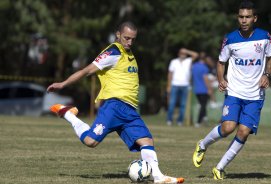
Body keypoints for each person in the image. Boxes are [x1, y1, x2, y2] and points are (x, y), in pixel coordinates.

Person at [47, 21, 184, 184]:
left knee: (146, 141)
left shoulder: (130, 54)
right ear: (118, 34)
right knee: (90, 142)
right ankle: (69, 114)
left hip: (130, 109)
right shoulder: (113, 52)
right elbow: (86, 71)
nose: (130, 42)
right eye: (126, 38)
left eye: (133, 39)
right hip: (115, 106)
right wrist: (62, 84)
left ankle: (158, 177)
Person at [192, 1, 271, 180]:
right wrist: (221, 79)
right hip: (235, 91)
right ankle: (202, 144)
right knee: (228, 127)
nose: (244, 20)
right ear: (238, 18)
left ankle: (220, 168)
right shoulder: (230, 39)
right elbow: (221, 62)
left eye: (247, 17)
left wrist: (267, 75)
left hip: (255, 94)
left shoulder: (264, 37)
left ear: (255, 18)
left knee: (244, 131)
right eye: (241, 17)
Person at [166, 48, 198, 126]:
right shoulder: (174, 61)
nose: (183, 54)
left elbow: (196, 55)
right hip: (174, 84)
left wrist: (186, 50)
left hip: (185, 85)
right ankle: (169, 120)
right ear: (178, 54)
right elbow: (170, 74)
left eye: (184, 53)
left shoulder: (188, 61)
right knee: (172, 103)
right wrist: (168, 85)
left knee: (183, 104)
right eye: (181, 53)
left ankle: (179, 121)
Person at [191, 52, 213, 127]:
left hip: (196, 89)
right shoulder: (204, 68)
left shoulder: (194, 66)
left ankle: (205, 118)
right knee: (203, 106)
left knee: (202, 105)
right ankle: (198, 122)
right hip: (203, 89)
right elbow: (205, 79)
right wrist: (209, 89)